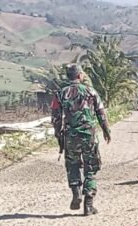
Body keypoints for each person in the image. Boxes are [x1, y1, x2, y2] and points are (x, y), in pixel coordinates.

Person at [51, 64, 111, 216]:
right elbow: (101, 112)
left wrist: (58, 134)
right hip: (88, 134)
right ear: (79, 76)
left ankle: (76, 192)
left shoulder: (60, 93)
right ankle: (89, 204)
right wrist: (106, 130)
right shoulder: (90, 91)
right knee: (90, 167)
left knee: (72, 165)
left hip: (70, 135)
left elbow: (56, 117)